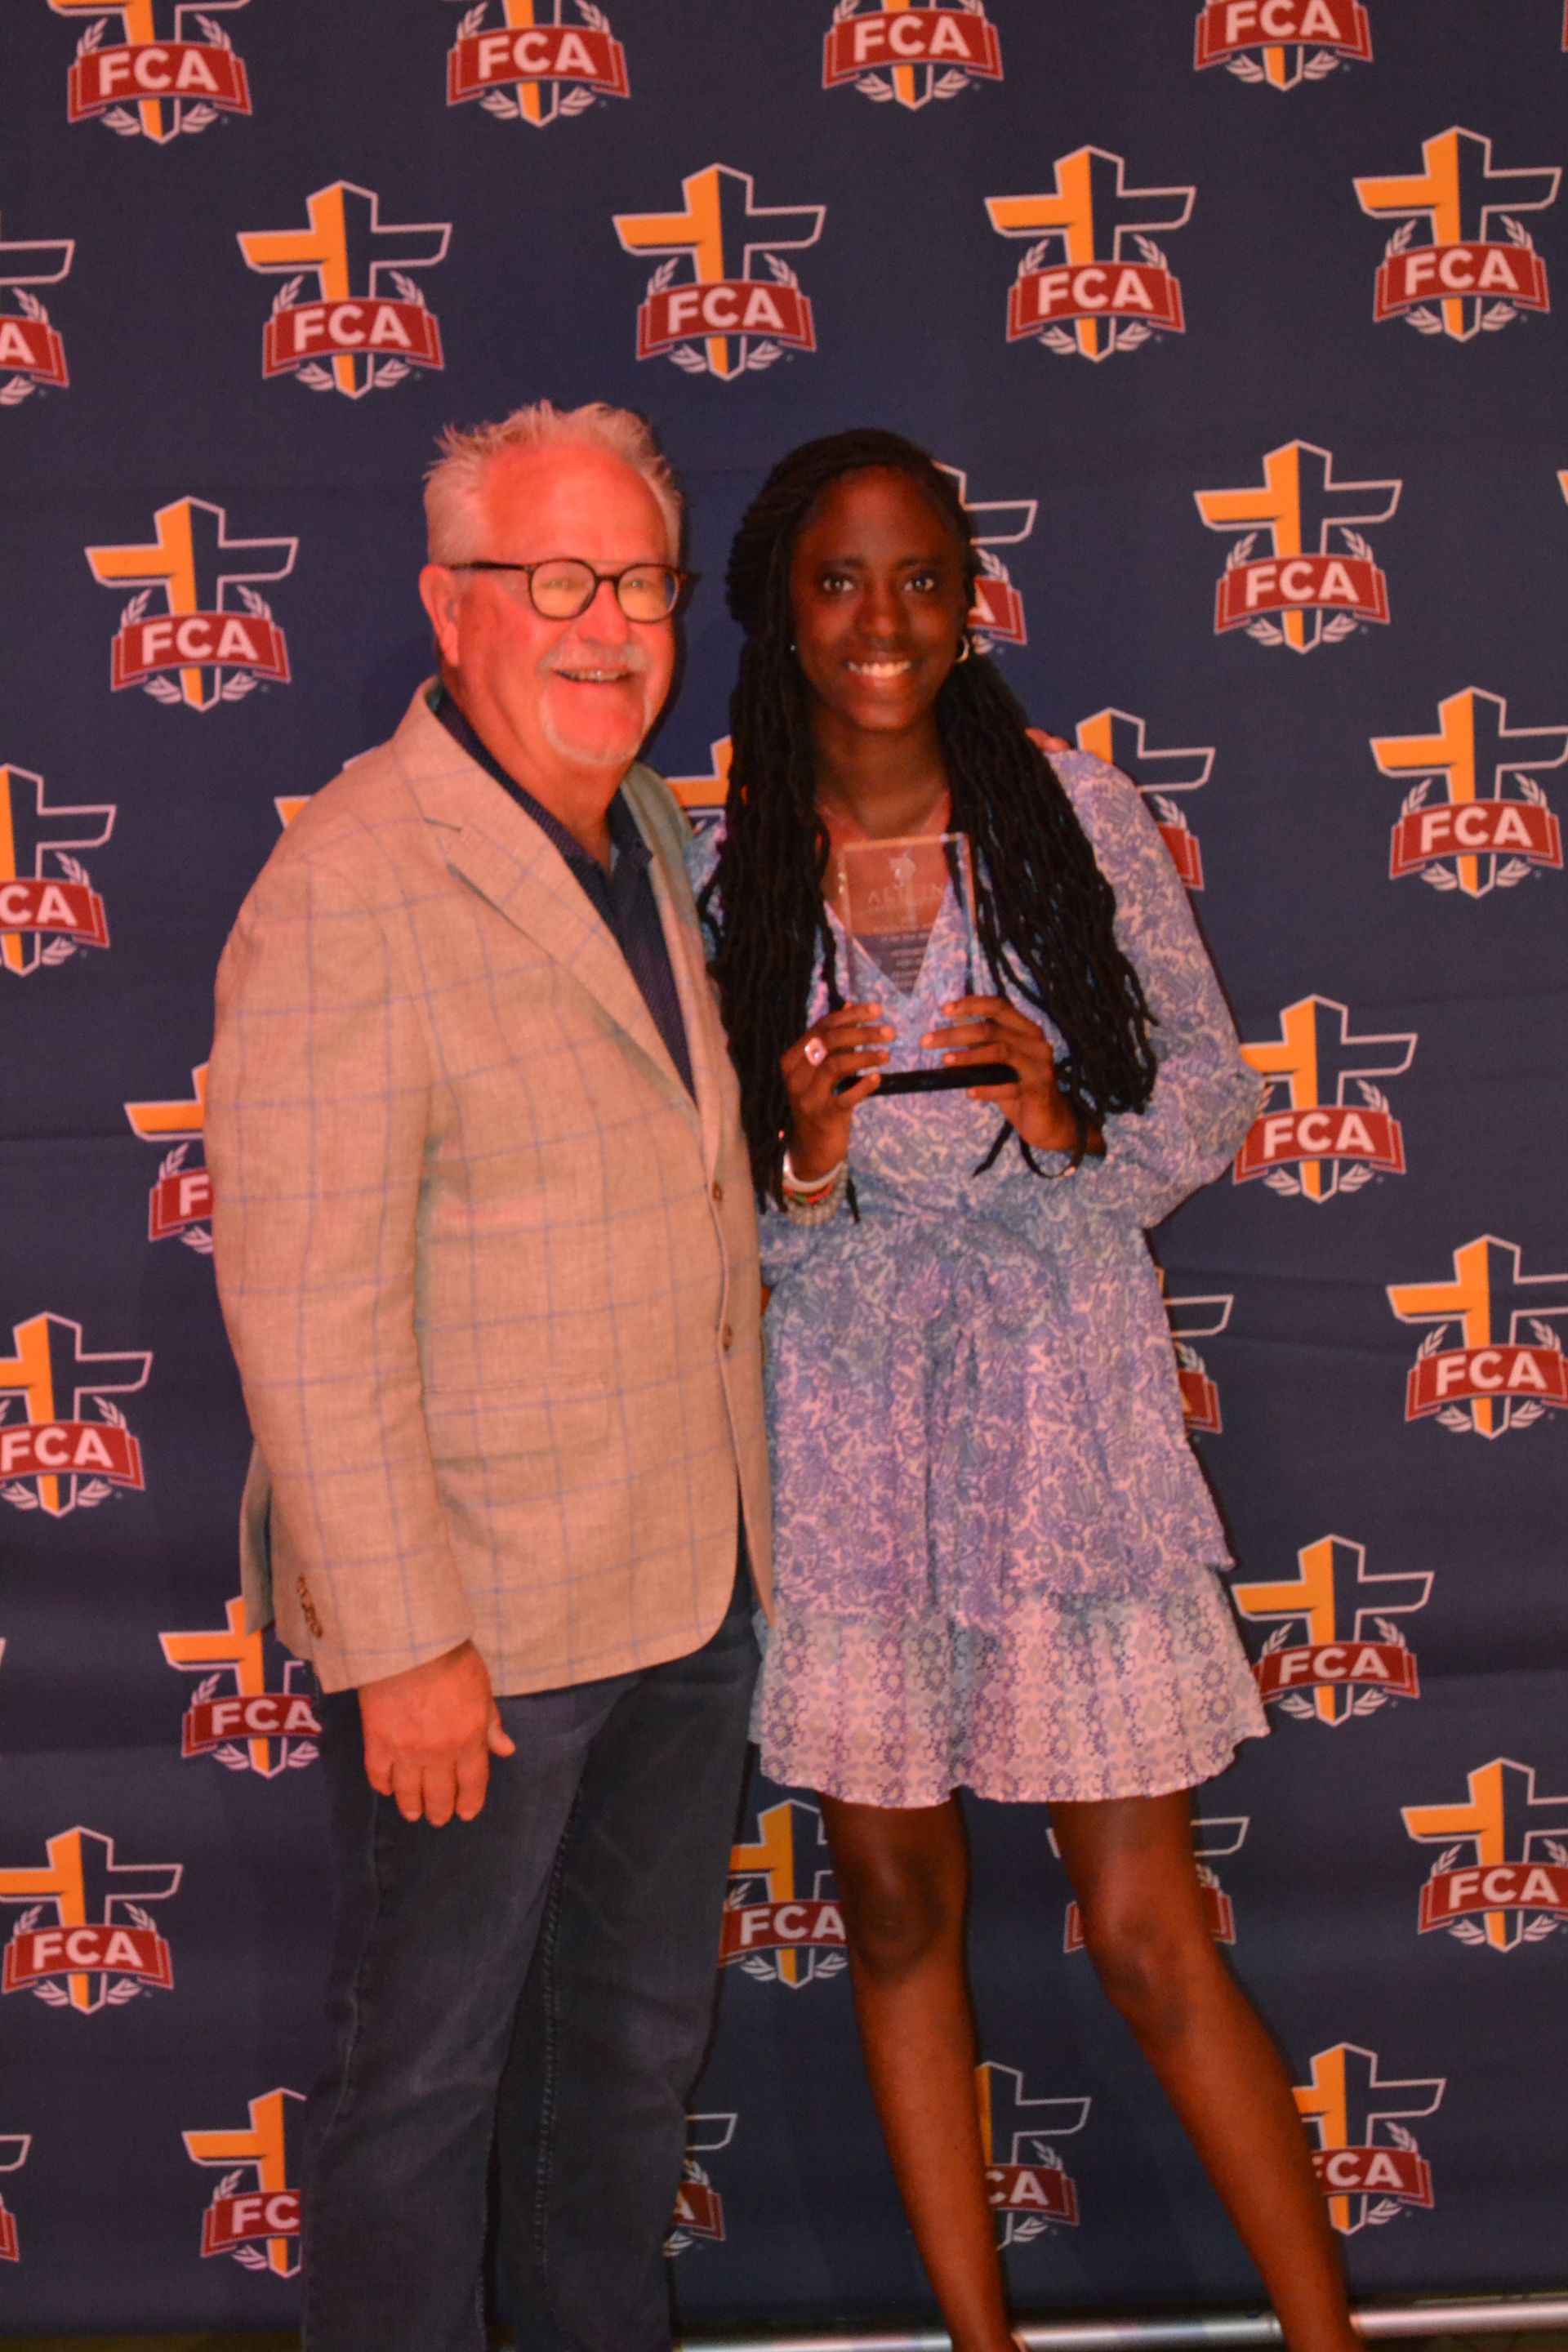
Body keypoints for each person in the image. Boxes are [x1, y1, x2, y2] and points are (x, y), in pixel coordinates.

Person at [694, 429, 1357, 2352]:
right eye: (839, 579)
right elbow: (703, 1215)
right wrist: (805, 1161)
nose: (883, 619)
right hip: (845, 1430)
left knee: (1147, 1934)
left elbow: (1212, 1090)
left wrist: (1071, 1127)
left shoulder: (1078, 807)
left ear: (972, 600)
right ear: (779, 609)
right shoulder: (725, 858)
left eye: (921, 576)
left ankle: (1329, 2341)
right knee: (897, 1914)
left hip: (1068, 1408)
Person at [205, 401, 769, 2352]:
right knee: (426, 2088)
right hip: (479, 1632)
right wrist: (406, 1644)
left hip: (683, 1586)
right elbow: (309, 1303)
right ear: (452, 609)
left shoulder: (646, 833)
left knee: (625, 2064)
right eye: (557, 582)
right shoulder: (352, 884)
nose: (610, 626)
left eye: (642, 584)